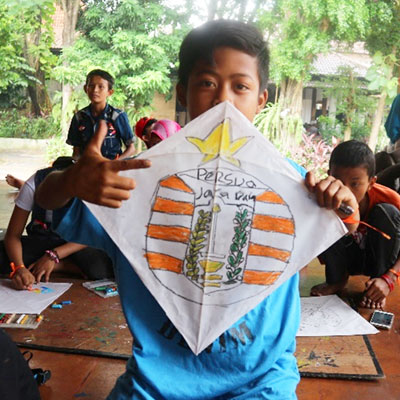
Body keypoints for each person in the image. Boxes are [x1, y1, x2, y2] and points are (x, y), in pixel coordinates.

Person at [35, 20, 357, 399]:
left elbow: (346, 221)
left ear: (261, 100)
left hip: (261, 382)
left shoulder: (292, 182)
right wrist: (72, 179)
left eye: (240, 86)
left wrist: (344, 205)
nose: (223, 100)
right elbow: (44, 197)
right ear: (182, 94)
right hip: (156, 384)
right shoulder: (135, 179)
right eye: (207, 82)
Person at [310, 140, 400, 309]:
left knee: (388, 213)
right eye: (338, 180)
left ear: (371, 183)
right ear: (329, 175)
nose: (345, 190)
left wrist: (389, 278)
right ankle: (337, 280)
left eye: (355, 183)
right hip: (349, 259)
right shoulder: (327, 196)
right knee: (326, 212)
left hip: (378, 260)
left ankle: (377, 286)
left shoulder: (391, 199)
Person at [0, 156, 114, 290]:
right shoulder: (33, 184)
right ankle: (62, 266)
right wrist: (19, 267)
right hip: (43, 240)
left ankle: (61, 266)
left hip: (76, 244)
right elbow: (13, 235)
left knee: (104, 266)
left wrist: (53, 257)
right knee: (4, 255)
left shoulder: (89, 187)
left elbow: (93, 234)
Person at [67, 69, 135, 160]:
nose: (95, 90)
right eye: (91, 86)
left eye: (101, 87)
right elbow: (76, 151)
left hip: (112, 167)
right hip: (88, 168)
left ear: (109, 92)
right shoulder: (79, 117)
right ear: (85, 89)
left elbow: (131, 148)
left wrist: (115, 163)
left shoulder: (117, 116)